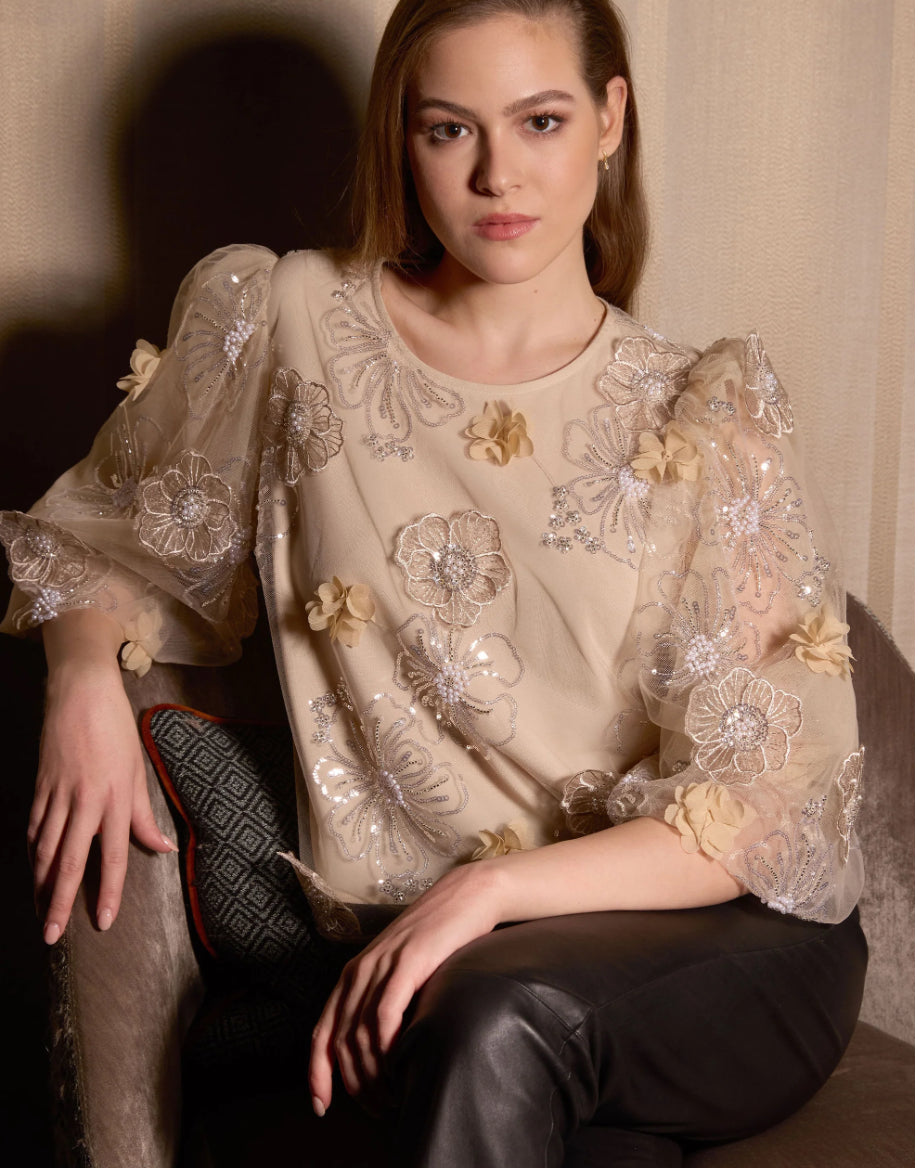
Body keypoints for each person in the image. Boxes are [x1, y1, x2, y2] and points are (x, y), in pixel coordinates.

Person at [1, 0, 867, 1164]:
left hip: (722, 944)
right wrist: (79, 686)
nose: (497, 174)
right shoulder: (294, 323)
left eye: (541, 120)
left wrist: (488, 894)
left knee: (494, 1018)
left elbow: (764, 807)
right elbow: (101, 541)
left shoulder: (705, 411)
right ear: (401, 140)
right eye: (450, 129)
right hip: (466, 985)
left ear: (611, 119)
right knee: (506, 1055)